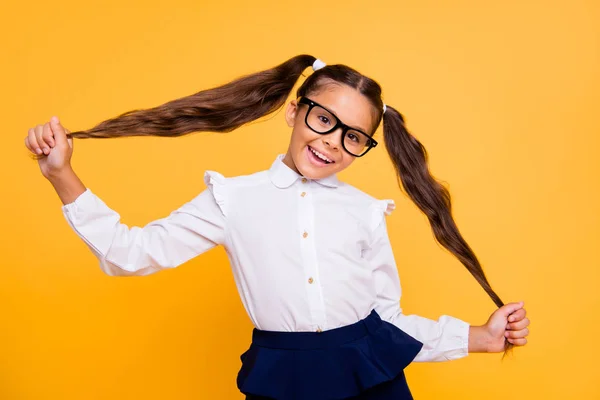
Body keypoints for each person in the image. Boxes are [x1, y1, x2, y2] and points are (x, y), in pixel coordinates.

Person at [24, 55, 530, 400]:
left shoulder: (364, 212)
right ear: (293, 111)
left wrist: (479, 337)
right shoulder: (232, 198)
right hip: (283, 380)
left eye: (354, 137)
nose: (333, 142)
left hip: (374, 385)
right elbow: (127, 254)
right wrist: (61, 174)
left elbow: (385, 324)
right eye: (324, 120)